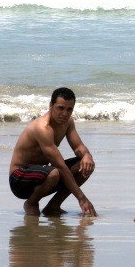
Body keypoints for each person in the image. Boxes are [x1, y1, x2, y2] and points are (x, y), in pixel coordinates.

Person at [8, 87, 96, 217]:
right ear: (51, 106)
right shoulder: (42, 128)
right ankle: (31, 203)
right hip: (19, 179)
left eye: (69, 109)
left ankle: (53, 206)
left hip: (42, 175)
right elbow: (60, 165)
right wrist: (81, 198)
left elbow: (78, 147)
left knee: (84, 165)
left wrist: (87, 155)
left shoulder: (68, 123)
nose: (65, 113)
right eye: (60, 108)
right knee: (54, 173)